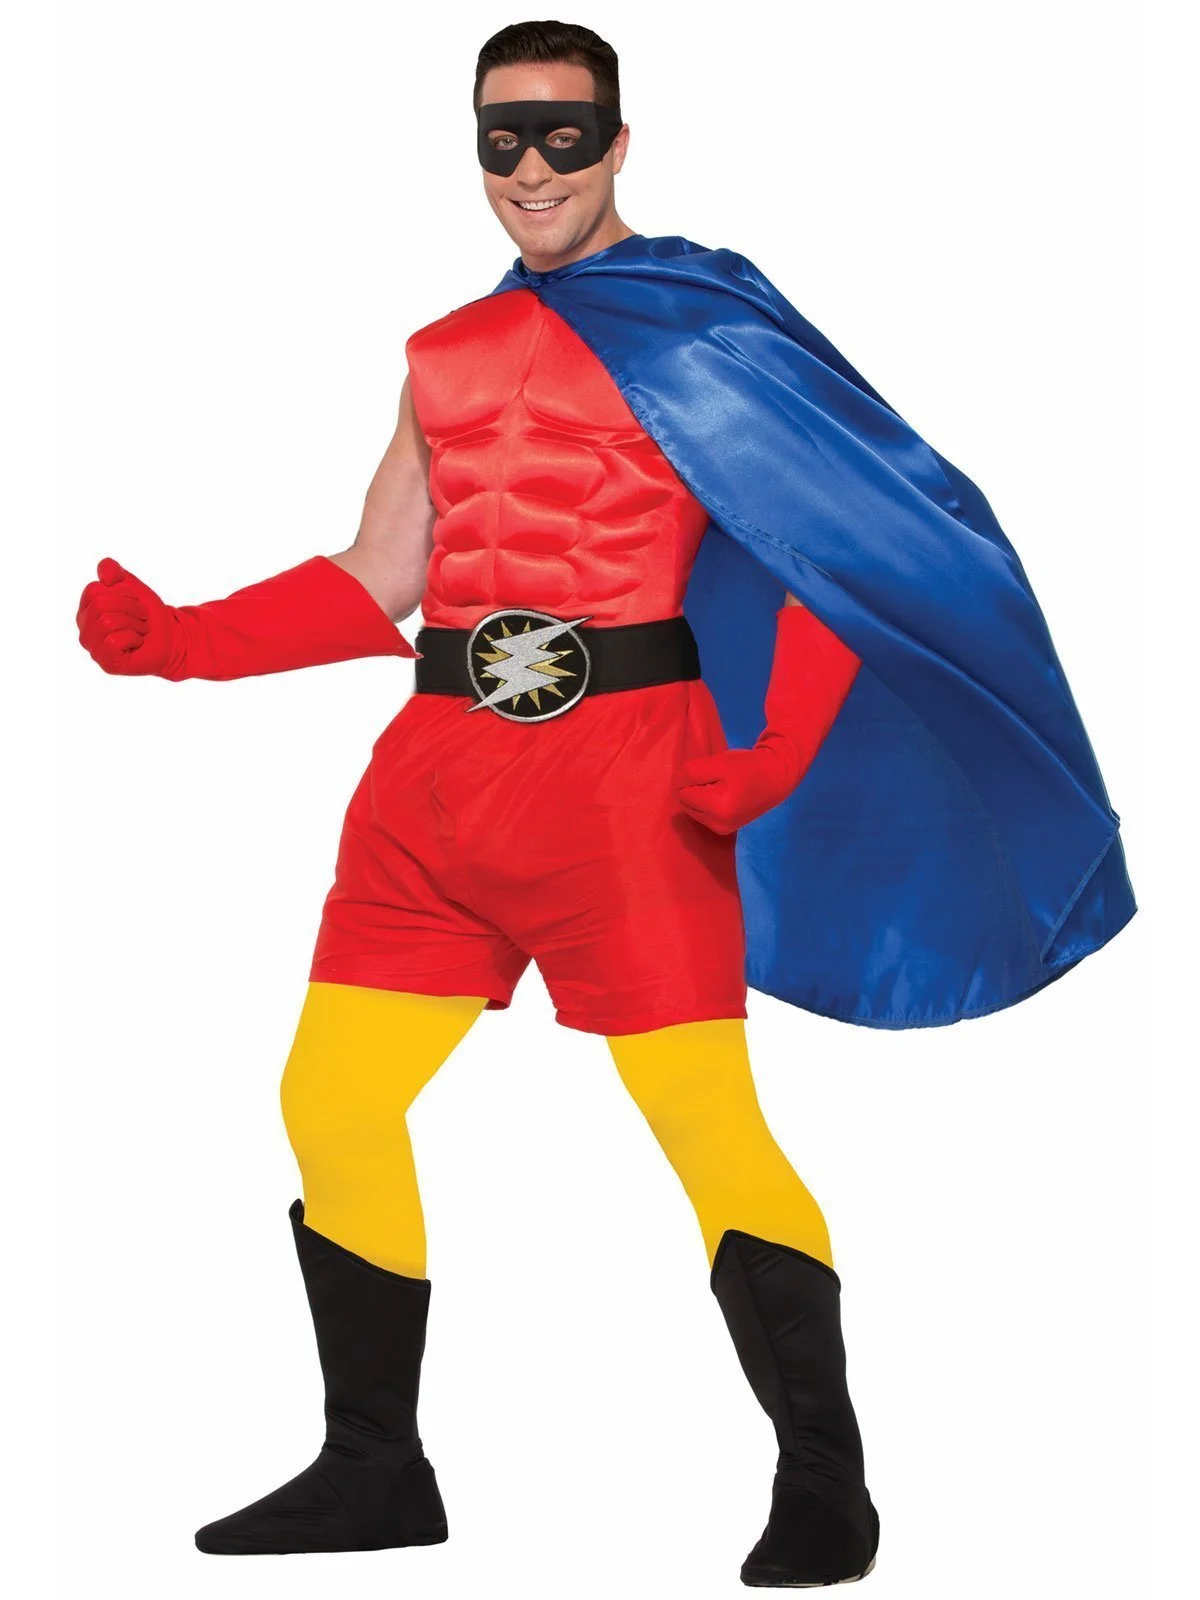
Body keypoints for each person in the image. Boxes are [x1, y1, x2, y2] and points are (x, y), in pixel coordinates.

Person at [74, 17, 1133, 1588]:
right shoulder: (440, 349)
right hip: (432, 788)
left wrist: (774, 754)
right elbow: (381, 574)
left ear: (620, 142)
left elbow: (850, 550)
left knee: (704, 1123)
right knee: (331, 1100)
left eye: (563, 134)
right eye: (501, 136)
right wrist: (184, 642)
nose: (532, 168)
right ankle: (374, 1466)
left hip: (628, 789)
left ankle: (828, 1484)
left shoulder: (702, 332)